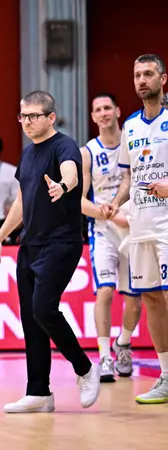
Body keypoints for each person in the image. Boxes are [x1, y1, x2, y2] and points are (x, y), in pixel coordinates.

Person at [0, 90, 100, 414]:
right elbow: (21, 202)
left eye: (33, 116)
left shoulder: (64, 145)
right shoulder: (27, 154)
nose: (26, 122)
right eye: (22, 116)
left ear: (51, 117)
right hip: (29, 245)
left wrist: (63, 186)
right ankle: (38, 392)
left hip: (61, 242)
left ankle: (85, 368)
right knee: (30, 319)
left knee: (43, 308)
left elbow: (72, 174)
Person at [105, 53, 168, 404]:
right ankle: (166, 377)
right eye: (137, 75)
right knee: (152, 298)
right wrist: (116, 201)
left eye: (148, 74)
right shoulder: (130, 125)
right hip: (140, 223)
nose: (142, 80)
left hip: (167, 223)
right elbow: (129, 176)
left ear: (163, 79)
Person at [79, 92, 142, 382]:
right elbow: (79, 201)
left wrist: (121, 210)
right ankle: (104, 355)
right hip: (103, 230)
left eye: (108, 108)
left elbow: (135, 182)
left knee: (135, 298)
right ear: (93, 117)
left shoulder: (133, 142)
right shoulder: (87, 152)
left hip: (134, 226)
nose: (103, 113)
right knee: (105, 290)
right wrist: (106, 214)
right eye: (98, 109)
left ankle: (124, 344)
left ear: (117, 111)